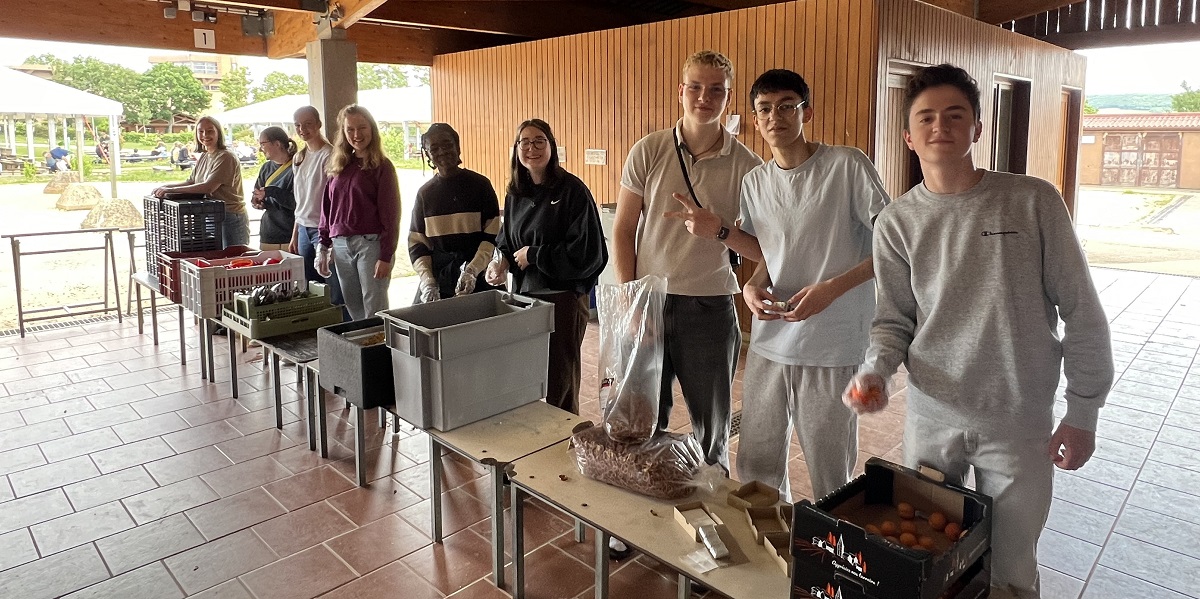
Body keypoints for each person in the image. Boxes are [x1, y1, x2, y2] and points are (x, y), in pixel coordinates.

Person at [843, 64, 1113, 599]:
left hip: (1017, 420)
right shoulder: (896, 222)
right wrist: (876, 370)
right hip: (932, 417)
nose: (939, 126)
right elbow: (894, 319)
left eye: (954, 115)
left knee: (1010, 567)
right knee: (924, 553)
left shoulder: (1033, 201)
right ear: (908, 136)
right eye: (926, 117)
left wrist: (1084, 412)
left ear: (977, 128)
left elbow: (1082, 311)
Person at [667, 69, 889, 501]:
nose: (775, 117)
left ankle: (829, 541)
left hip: (832, 344)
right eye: (765, 109)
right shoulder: (756, 181)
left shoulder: (846, 166)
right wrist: (751, 286)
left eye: (787, 106)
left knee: (830, 468)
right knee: (757, 463)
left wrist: (831, 289)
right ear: (754, 118)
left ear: (807, 112)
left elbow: (893, 246)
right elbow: (769, 254)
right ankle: (770, 535)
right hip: (771, 342)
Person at [613, 50, 763, 472]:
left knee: (711, 430)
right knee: (641, 423)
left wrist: (720, 230)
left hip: (710, 309)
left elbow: (764, 251)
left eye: (716, 90)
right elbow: (623, 230)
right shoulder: (649, 149)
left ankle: (710, 504)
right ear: (680, 91)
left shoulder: (749, 166)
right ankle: (642, 503)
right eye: (695, 87)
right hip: (650, 303)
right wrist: (632, 299)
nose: (704, 98)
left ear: (728, 98)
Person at [485, 118, 608, 415]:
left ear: (551, 146)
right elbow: (507, 240)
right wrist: (500, 262)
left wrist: (536, 255)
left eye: (539, 140)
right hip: (525, 299)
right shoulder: (515, 192)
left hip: (562, 300)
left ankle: (563, 438)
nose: (532, 148)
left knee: (559, 382)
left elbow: (588, 253)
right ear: (516, 149)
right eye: (525, 142)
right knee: (528, 377)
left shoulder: (572, 191)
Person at [316, 105, 401, 321]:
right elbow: (327, 208)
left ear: (372, 129)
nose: (356, 134)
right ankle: (363, 342)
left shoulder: (382, 166)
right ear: (343, 132)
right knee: (353, 306)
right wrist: (323, 245)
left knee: (374, 308)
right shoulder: (338, 165)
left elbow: (391, 215)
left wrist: (386, 256)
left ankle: (379, 343)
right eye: (350, 129)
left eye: (362, 127)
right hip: (341, 245)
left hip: (370, 245)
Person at [408, 123, 500, 304]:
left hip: (479, 275)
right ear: (428, 154)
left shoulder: (480, 186)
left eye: (447, 145)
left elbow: (493, 235)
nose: (442, 152)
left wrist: (472, 271)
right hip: (440, 278)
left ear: (458, 147)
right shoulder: (425, 194)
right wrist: (428, 281)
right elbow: (417, 243)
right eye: (434, 148)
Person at [153, 115, 249, 248]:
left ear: (218, 133)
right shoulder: (205, 155)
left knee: (233, 256)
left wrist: (170, 190)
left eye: (210, 131)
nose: (205, 135)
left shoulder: (226, 156)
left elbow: (208, 187)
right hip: (209, 215)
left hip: (230, 216)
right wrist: (164, 187)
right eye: (201, 131)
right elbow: (191, 182)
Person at [289, 106, 343, 308]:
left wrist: (328, 235)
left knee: (334, 287)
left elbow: (334, 198)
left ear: (319, 124)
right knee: (311, 286)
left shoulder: (329, 155)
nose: (302, 129)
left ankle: (340, 324)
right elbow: (300, 199)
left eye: (308, 124)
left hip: (323, 230)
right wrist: (295, 232)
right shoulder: (299, 157)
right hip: (303, 227)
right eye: (298, 125)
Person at [251, 126, 297, 251]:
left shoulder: (297, 167)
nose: (260, 149)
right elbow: (256, 193)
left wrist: (271, 191)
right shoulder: (266, 168)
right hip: (269, 232)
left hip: (290, 233)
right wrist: (257, 202)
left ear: (277, 144)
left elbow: (296, 203)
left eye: (263, 144)